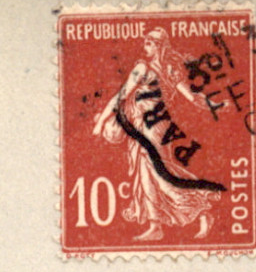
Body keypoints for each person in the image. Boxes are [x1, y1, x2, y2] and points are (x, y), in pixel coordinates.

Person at [90, 27, 216, 242]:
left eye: (149, 44)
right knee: (148, 173)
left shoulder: (153, 68)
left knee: (158, 173)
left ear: (158, 46)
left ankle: (200, 211)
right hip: (146, 127)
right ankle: (157, 224)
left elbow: (122, 96)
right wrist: (212, 104)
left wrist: (101, 122)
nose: (145, 47)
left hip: (153, 128)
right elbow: (192, 97)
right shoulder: (160, 68)